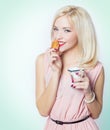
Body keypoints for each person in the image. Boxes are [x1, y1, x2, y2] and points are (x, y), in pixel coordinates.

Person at [35, 5, 105, 130]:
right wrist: (55, 73)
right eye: (56, 29)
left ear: (82, 33)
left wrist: (88, 92)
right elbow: (43, 110)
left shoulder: (95, 67)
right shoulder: (42, 60)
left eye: (66, 30)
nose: (58, 36)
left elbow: (96, 114)